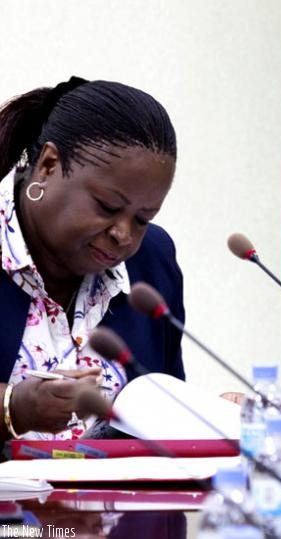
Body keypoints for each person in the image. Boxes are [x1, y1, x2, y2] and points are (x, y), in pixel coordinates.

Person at [0, 77, 184, 441]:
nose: (124, 234)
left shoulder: (152, 261)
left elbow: (162, 411)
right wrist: (13, 408)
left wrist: (213, 418)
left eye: (143, 219)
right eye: (108, 207)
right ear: (49, 166)